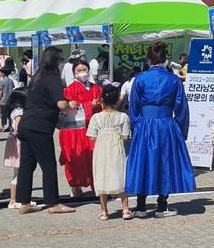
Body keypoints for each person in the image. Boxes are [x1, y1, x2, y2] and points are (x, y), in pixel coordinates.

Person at [126, 42, 194, 217]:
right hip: (166, 124)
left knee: (143, 161)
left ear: (148, 60)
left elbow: (134, 106)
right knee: (165, 162)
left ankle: (141, 206)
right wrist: (180, 129)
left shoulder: (140, 79)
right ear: (165, 60)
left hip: (144, 124)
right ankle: (162, 206)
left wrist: (136, 126)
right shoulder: (174, 80)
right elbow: (182, 107)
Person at [15, 46, 76, 215]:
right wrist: (70, 105)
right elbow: (61, 104)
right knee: (48, 165)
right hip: (40, 127)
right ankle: (53, 203)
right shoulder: (52, 77)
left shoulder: (37, 76)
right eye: (61, 61)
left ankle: (24, 202)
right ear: (56, 62)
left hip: (26, 124)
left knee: (27, 164)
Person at [86, 84, 132, 220]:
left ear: (102, 100)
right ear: (117, 100)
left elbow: (92, 137)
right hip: (117, 149)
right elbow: (125, 136)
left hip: (101, 150)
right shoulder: (123, 116)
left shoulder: (96, 117)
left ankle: (104, 211)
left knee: (101, 176)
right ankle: (126, 209)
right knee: (120, 174)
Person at [59, 58, 101, 197]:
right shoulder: (70, 89)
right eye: (79, 70)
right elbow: (68, 109)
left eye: (84, 70)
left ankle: (96, 186)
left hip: (93, 129)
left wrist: (98, 105)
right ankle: (75, 186)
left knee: (94, 157)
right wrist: (89, 105)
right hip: (75, 131)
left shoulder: (96, 88)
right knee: (75, 158)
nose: (82, 73)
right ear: (74, 72)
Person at [2, 88, 27, 209]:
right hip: (19, 143)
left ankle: (15, 200)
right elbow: (18, 128)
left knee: (17, 173)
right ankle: (14, 200)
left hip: (13, 141)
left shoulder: (13, 110)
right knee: (19, 173)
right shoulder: (19, 112)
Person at [0, 66, 16, 131]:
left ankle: (2, 127)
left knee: (3, 115)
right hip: (10, 100)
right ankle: (10, 126)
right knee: (10, 114)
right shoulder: (11, 81)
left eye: (1, 72)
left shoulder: (2, 81)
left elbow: (0, 92)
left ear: (3, 73)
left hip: (3, 101)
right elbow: (12, 88)